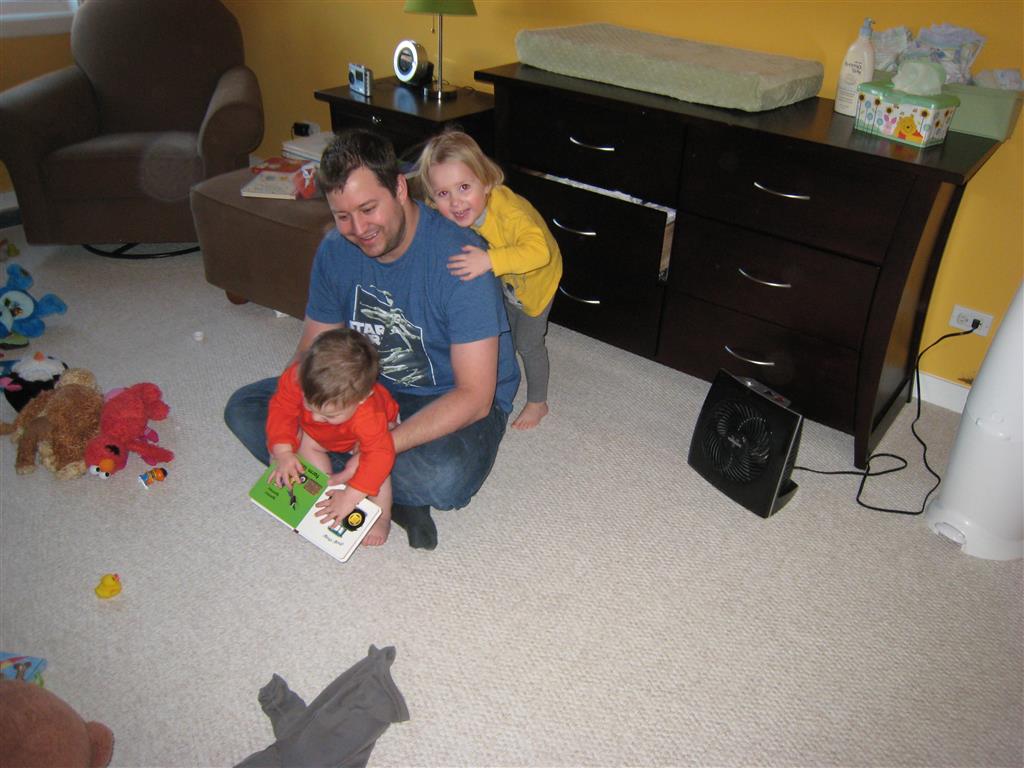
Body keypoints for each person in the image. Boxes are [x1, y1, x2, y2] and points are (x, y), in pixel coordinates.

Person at [224, 128, 520, 551]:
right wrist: (285, 437)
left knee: (445, 475)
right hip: (357, 388)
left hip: (447, 397)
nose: (358, 228)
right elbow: (310, 351)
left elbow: (475, 397)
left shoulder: (461, 260)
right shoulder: (335, 250)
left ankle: (360, 478)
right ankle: (379, 490)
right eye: (342, 216)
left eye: (368, 209)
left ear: (399, 188)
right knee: (246, 409)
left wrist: (377, 449)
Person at [413, 130, 562, 430]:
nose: (455, 202)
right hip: (508, 278)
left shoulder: (509, 214)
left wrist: (489, 260)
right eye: (443, 194)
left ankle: (538, 402)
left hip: (536, 282)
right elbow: (425, 215)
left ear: (486, 181)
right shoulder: (453, 207)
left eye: (464, 187)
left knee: (527, 343)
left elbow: (539, 252)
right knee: (500, 331)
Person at [266, 328, 397, 547]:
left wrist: (352, 496)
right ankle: (321, 496)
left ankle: (382, 516)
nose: (316, 417)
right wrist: (283, 452)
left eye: (329, 415)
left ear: (362, 399)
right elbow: (281, 410)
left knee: (379, 466)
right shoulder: (297, 377)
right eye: (309, 405)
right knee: (304, 446)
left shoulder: (369, 415)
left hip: (368, 435)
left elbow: (380, 454)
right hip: (319, 436)